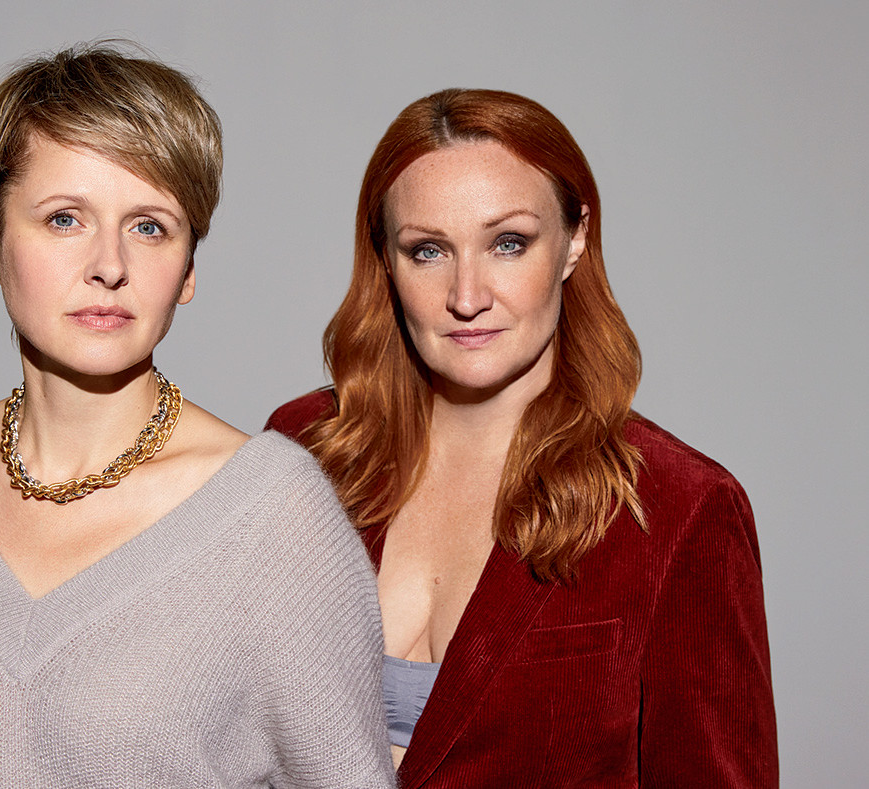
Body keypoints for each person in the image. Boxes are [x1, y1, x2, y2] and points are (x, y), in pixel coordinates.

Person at [0, 44, 395, 788]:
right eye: (65, 218)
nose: (109, 264)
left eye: (149, 227)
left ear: (188, 271)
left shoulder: (274, 517)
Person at [267, 88, 777, 787]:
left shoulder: (679, 507)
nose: (467, 296)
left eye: (508, 243)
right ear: (385, 258)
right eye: (427, 251)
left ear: (575, 240)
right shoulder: (306, 449)